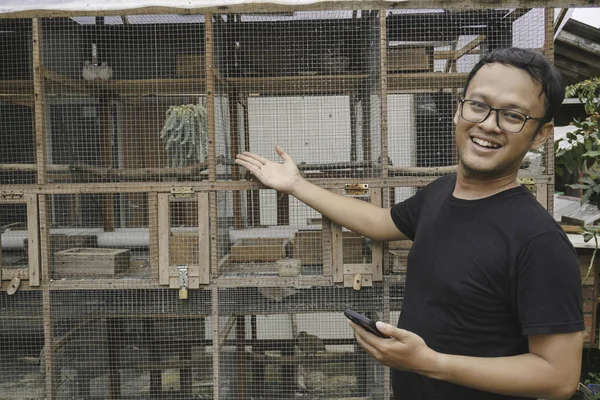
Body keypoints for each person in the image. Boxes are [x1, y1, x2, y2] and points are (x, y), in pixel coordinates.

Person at [235, 47, 584, 400]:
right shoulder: (442, 192)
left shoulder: (539, 241)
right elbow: (381, 222)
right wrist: (296, 185)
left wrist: (431, 363)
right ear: (458, 109)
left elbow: (558, 377)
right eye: (478, 105)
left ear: (541, 134)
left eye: (512, 115)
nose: (488, 124)